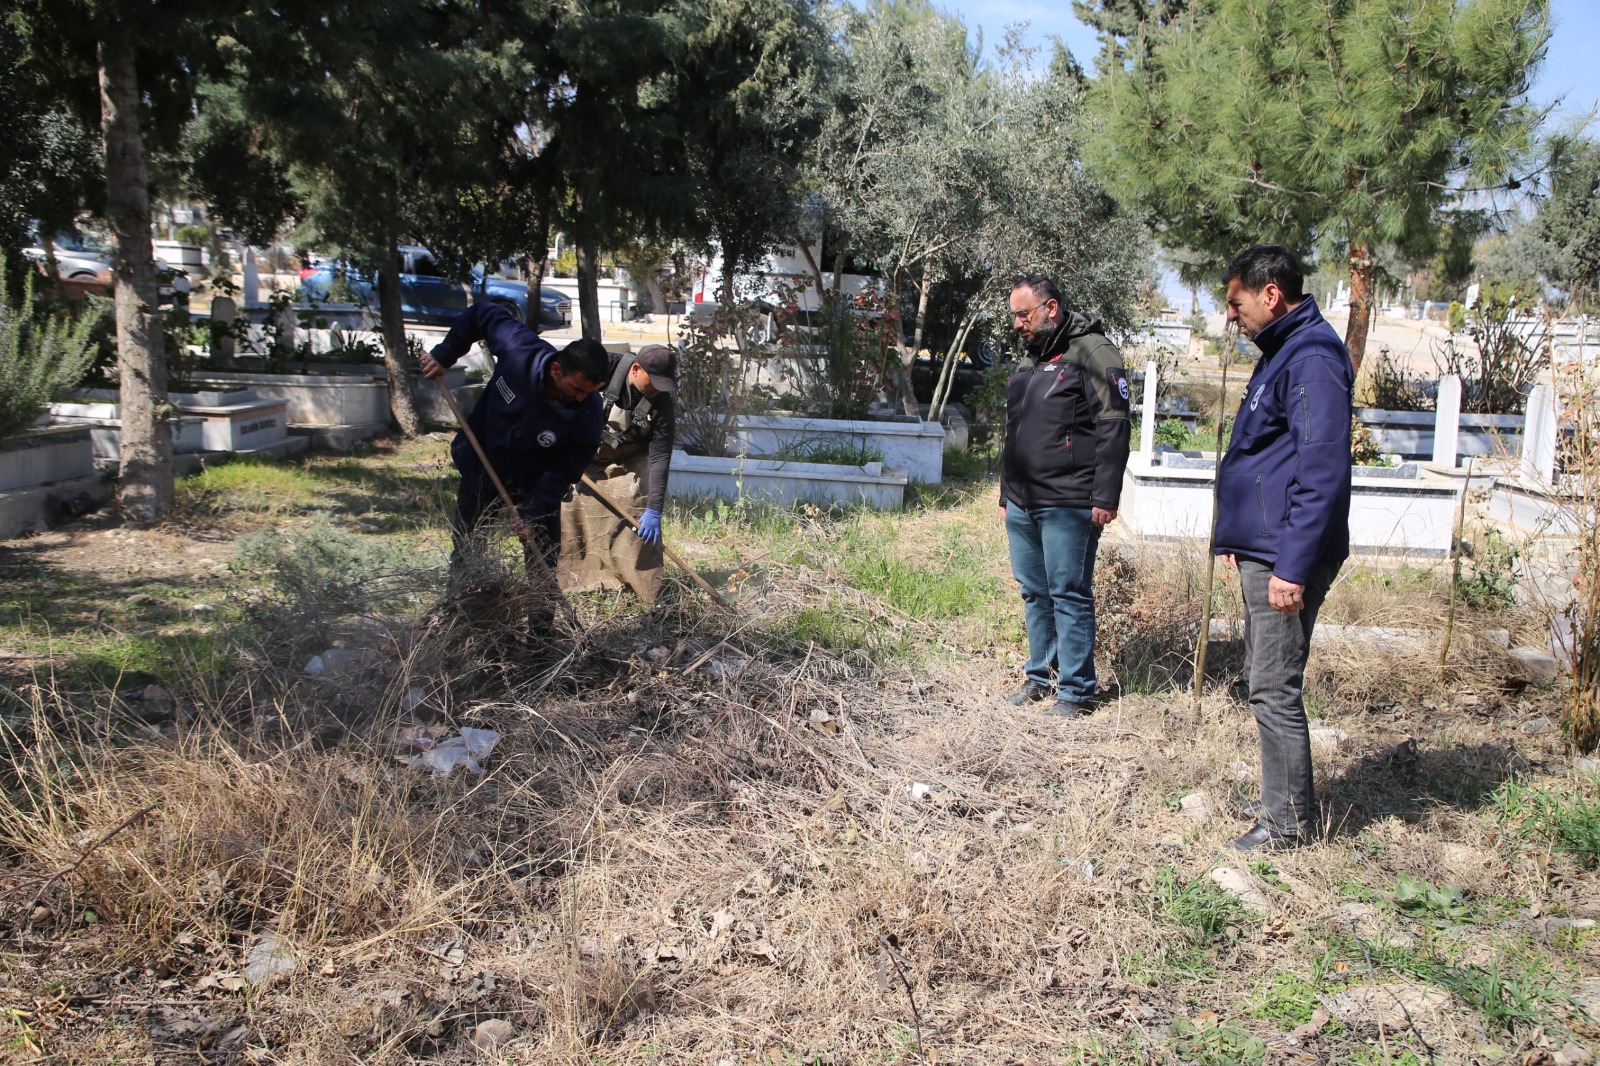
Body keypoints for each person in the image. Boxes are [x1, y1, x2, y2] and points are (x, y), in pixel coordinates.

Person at [1213, 244, 1353, 853]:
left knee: (1273, 684)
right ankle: (1282, 796)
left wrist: (1291, 566)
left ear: (1271, 295)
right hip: (1266, 546)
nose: (1230, 316)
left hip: (1285, 555)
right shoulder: (1285, 351)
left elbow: (1321, 471)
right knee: (1263, 675)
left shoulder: (1313, 357)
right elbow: (1268, 455)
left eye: (1236, 302)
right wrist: (1235, 537)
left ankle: (1289, 824)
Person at [999, 274, 1132, 719]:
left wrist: (1106, 495)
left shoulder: (1093, 352)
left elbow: (1114, 424)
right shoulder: (1031, 360)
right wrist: (1007, 493)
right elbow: (1013, 430)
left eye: (1023, 314)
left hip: (1068, 501)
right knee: (1034, 592)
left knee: (1068, 592)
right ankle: (1040, 677)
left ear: (1050, 308)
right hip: (1023, 502)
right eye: (1014, 316)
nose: (1017, 324)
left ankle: (1075, 692)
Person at [419, 302, 610, 582]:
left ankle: (541, 625)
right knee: (467, 547)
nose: (582, 398)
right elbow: (481, 313)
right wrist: (444, 356)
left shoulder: (589, 413)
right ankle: (462, 612)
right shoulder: (519, 351)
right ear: (556, 370)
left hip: (534, 481)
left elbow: (564, 469)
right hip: (482, 465)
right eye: (577, 389)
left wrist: (532, 510)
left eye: (591, 391)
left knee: (542, 560)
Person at [557, 344, 679, 604]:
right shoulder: (603, 368)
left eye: (663, 384)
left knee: (636, 508)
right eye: (653, 382)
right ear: (636, 369)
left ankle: (641, 587)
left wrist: (655, 509)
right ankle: (577, 580)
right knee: (567, 507)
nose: (658, 389)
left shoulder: (662, 405)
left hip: (626, 462)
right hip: (581, 455)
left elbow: (659, 459)